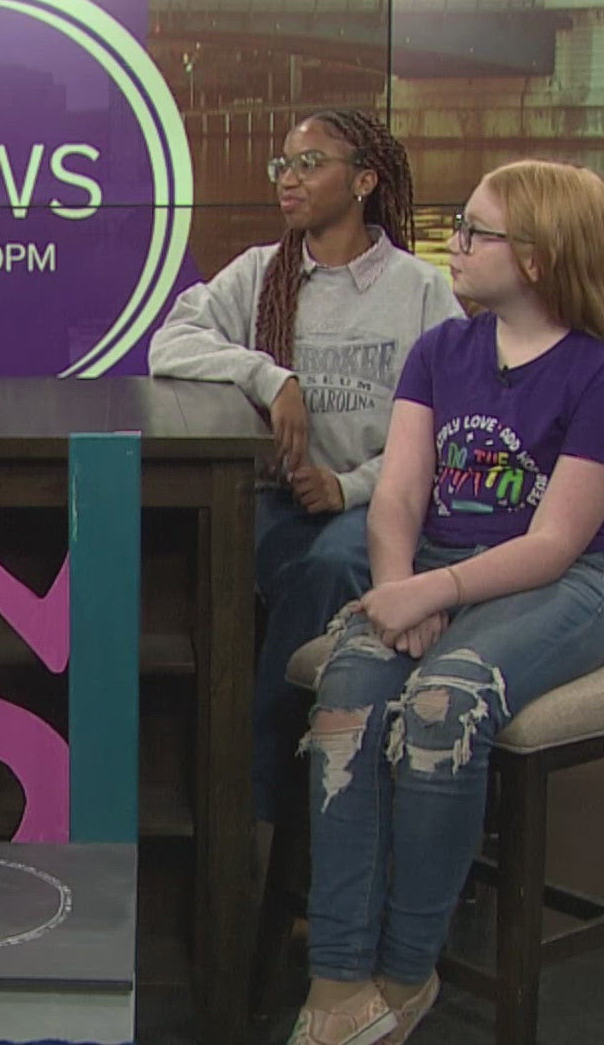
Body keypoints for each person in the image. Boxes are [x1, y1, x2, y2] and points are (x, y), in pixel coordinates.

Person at [287, 159, 604, 1045]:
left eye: (475, 230)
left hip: (561, 587)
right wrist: (393, 591)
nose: (451, 242)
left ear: (538, 256)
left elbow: (555, 544)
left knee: (443, 706)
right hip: (432, 569)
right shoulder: (443, 350)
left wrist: (433, 590)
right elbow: (399, 497)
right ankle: (337, 980)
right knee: (346, 694)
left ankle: (407, 971)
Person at [147, 110, 460, 844]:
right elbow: (171, 342)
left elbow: (447, 430)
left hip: (370, 506)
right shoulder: (261, 273)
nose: (288, 180)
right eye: (281, 166)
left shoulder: (420, 291)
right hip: (273, 498)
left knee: (325, 569)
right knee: (183, 552)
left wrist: (348, 487)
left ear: (363, 180)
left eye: (310, 163)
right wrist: (269, 375)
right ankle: (183, 775)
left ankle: (262, 803)